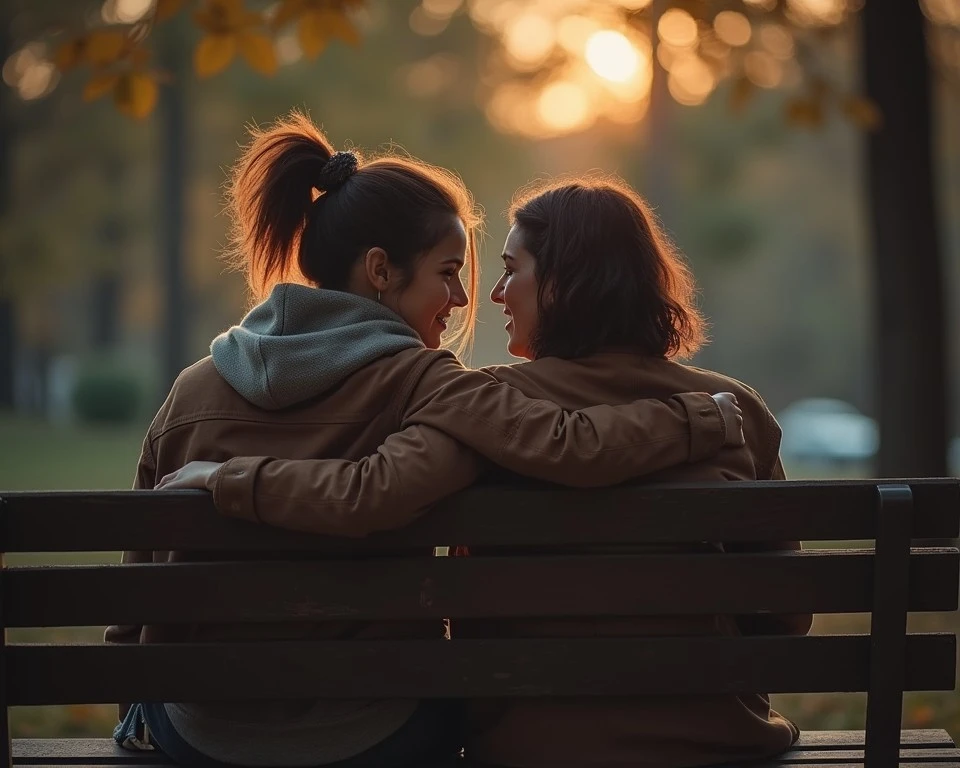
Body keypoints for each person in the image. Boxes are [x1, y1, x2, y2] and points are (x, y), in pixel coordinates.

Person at [111, 112, 744, 768]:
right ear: (380, 271)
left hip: (200, 730)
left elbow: (137, 580)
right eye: (447, 272)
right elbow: (567, 444)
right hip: (371, 731)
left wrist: (134, 699)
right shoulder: (427, 384)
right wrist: (697, 420)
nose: (464, 297)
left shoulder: (193, 387)